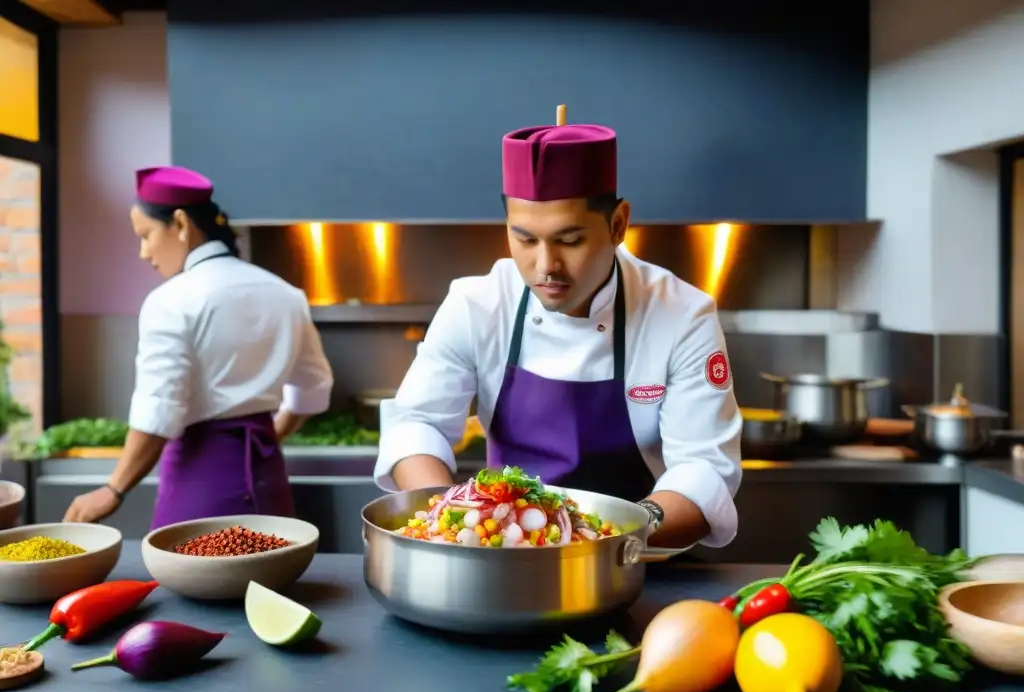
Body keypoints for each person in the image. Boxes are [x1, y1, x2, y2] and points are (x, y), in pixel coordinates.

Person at [372, 107, 743, 551]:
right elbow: (417, 422)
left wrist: (609, 537)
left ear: (618, 224)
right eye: (525, 239)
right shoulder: (477, 304)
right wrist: (453, 520)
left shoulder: (681, 315)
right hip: (501, 557)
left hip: (637, 560)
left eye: (569, 240)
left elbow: (703, 468)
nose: (546, 266)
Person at [64, 166, 334, 529]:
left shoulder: (171, 301)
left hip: (200, 487)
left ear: (180, 223)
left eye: (145, 234)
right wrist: (270, 438)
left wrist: (114, 489)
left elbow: (157, 412)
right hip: (269, 480)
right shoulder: (287, 294)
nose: (144, 252)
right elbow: (313, 391)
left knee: (193, 582)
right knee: (271, 583)